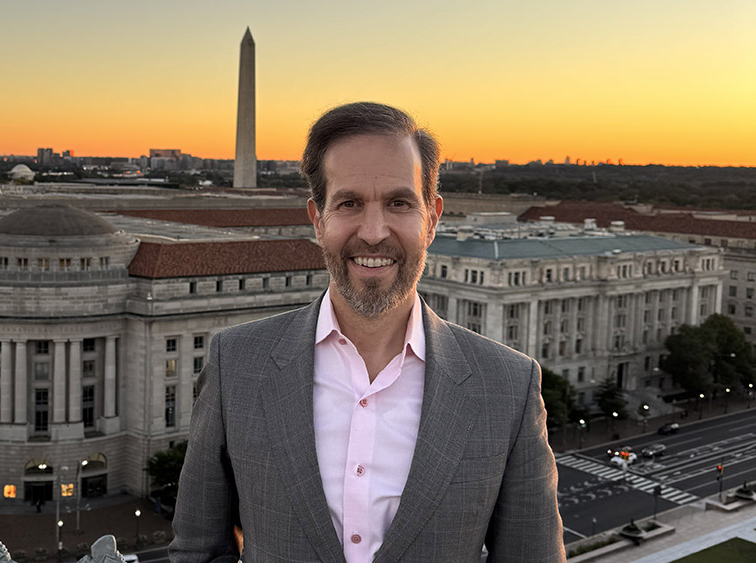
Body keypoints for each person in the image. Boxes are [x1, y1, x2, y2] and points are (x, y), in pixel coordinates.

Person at [169, 102, 564, 562]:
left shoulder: (508, 386)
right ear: (318, 220)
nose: (374, 233)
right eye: (349, 203)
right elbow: (197, 552)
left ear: (431, 219)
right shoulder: (236, 364)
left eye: (399, 203)